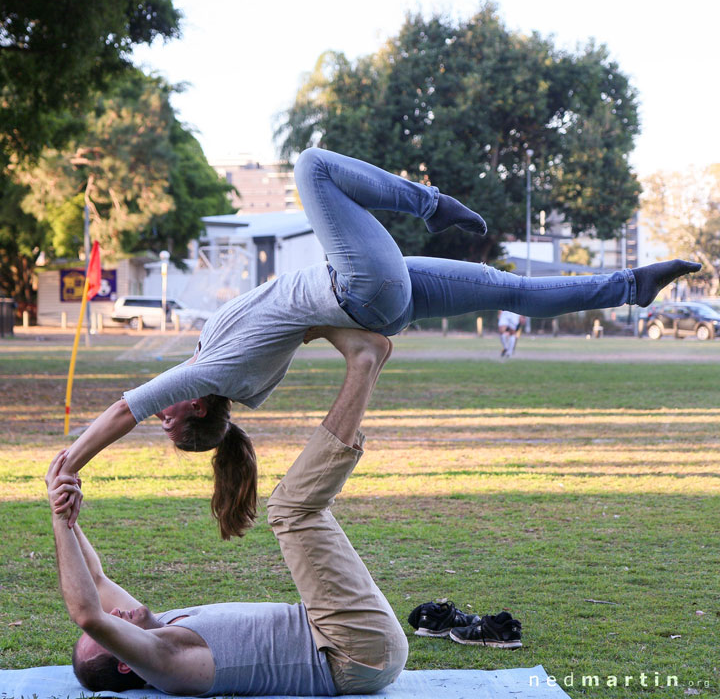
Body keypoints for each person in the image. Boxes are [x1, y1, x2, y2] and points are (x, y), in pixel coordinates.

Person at [56, 148, 701, 537]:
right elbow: (120, 412)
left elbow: (303, 327)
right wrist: (70, 464)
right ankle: (428, 202)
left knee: (511, 290)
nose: (157, 414)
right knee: (312, 166)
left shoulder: (232, 375)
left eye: (159, 419)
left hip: (377, 302)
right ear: (194, 408)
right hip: (361, 285)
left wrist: (361, 342)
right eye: (166, 421)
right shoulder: (214, 375)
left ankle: (630, 285)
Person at [47, 327, 409, 695]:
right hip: (352, 653)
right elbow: (87, 614)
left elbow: (95, 582)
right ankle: (363, 362)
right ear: (127, 660)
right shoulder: (170, 663)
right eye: (111, 632)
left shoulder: (157, 624)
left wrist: (59, 503)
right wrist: (63, 522)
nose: (114, 616)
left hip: (337, 630)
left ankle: (369, 359)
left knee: (292, 509)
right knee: (291, 510)